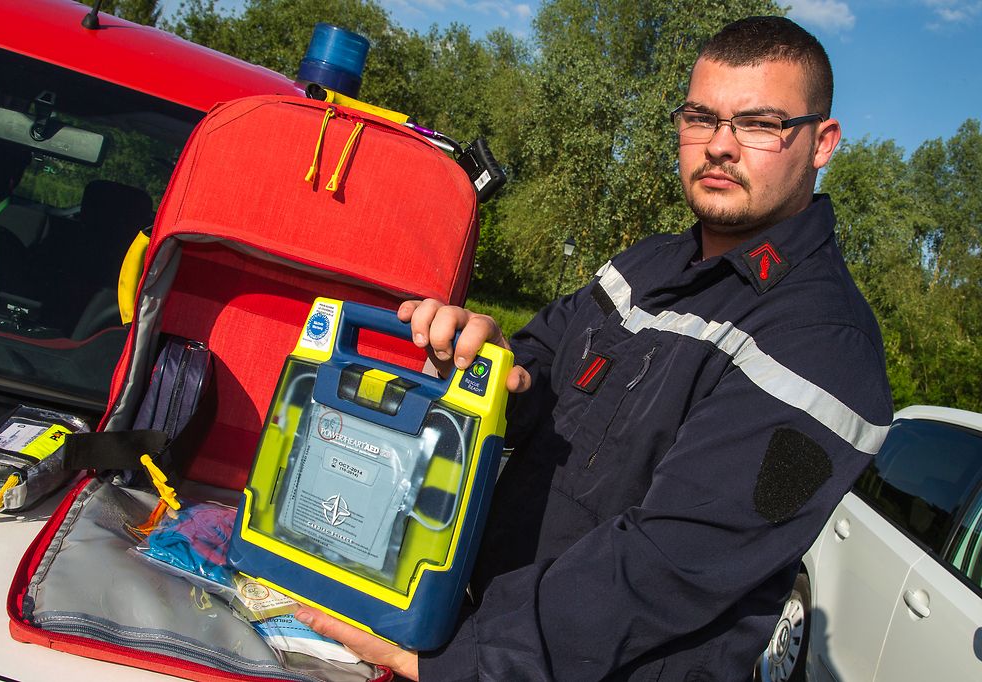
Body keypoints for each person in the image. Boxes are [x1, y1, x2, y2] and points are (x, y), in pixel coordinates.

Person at [295, 15, 893, 681]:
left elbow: (669, 564)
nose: (720, 146)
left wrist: (466, 664)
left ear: (821, 142)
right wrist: (491, 365)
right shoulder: (648, 265)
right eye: (701, 117)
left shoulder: (825, 348)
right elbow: (539, 369)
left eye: (759, 124)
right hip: (469, 627)